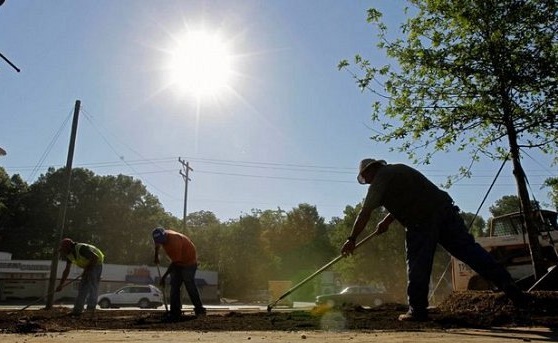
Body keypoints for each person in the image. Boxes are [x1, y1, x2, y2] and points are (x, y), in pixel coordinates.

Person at [341, 158, 528, 322]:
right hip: (445, 211)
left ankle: (417, 310)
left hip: (421, 221)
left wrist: (351, 239)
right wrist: (387, 220)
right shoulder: (399, 169)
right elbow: (412, 197)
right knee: (469, 250)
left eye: (366, 179)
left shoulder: (380, 178)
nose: (368, 182)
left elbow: (364, 213)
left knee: (417, 263)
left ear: (370, 171)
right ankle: (508, 285)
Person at [152, 227, 206, 320]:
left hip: (188, 262)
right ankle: (175, 311)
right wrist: (156, 256)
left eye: (162, 240)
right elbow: (157, 245)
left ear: (165, 235)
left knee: (189, 283)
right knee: (174, 286)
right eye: (159, 241)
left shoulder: (174, 241)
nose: (161, 243)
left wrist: (164, 277)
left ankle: (199, 309)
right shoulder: (159, 238)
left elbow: (175, 263)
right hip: (177, 262)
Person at [57, 238, 104, 316]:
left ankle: (91, 309)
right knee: (82, 287)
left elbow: (95, 258)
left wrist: (87, 269)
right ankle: (77, 310)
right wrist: (61, 284)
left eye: (63, 249)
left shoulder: (81, 248)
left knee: (92, 286)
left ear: (68, 247)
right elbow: (66, 270)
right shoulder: (69, 255)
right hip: (88, 266)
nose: (63, 252)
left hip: (96, 264)